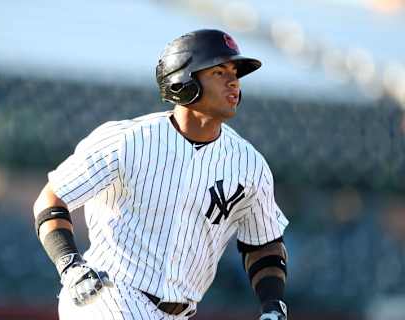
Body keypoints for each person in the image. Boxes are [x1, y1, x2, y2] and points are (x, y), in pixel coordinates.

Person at [33, 29, 289, 320]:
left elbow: (264, 244)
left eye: (235, 72)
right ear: (184, 80)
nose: (234, 81)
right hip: (107, 295)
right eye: (219, 72)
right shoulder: (127, 140)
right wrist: (69, 264)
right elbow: (51, 198)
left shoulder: (249, 164)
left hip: (180, 312)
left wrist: (272, 304)